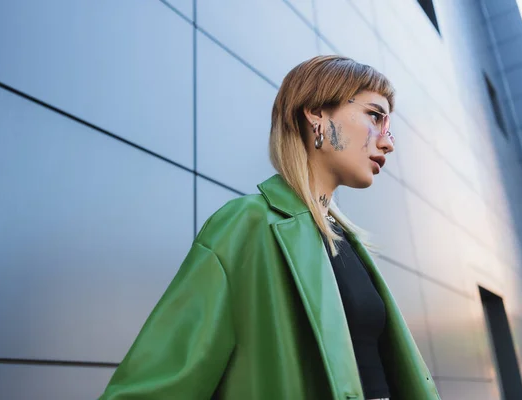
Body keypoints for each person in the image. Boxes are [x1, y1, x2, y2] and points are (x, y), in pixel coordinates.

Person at [99, 55, 441, 400]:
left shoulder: (346, 242)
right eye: (374, 115)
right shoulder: (246, 225)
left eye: (389, 126)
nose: (387, 142)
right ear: (316, 113)